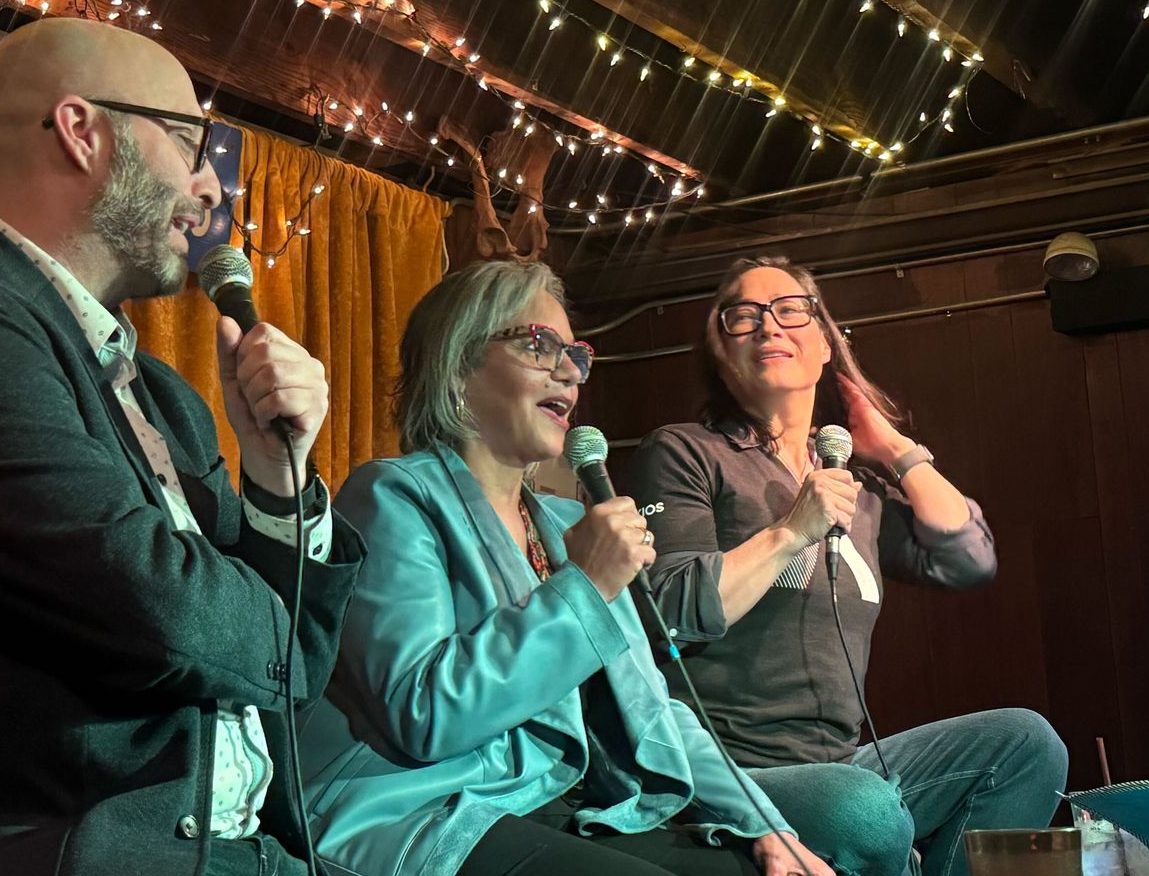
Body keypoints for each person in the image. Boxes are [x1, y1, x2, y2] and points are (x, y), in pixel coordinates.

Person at [0, 18, 364, 876]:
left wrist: (276, 477)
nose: (208, 190)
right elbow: (162, 614)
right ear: (84, 132)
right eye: (192, 143)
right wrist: (258, 614)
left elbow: (293, 662)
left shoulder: (167, 399)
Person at [300, 260, 904, 876]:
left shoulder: (567, 522)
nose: (568, 370)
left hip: (556, 802)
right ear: (457, 366)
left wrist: (764, 824)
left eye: (574, 354)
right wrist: (584, 587)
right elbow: (426, 712)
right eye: (538, 345)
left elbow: (656, 710)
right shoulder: (392, 497)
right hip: (428, 813)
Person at [629, 256, 1068, 876]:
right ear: (719, 352)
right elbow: (669, 609)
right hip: (729, 768)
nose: (769, 327)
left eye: (790, 310)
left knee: (1026, 744)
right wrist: (789, 532)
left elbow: (967, 559)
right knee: (863, 809)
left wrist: (895, 448)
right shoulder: (685, 453)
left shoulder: (848, 484)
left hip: (840, 763)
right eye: (743, 316)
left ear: (827, 342)